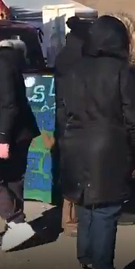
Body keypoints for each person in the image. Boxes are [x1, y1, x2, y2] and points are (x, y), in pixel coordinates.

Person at [56, 15, 135, 269]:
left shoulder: (72, 69)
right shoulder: (120, 70)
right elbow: (134, 117)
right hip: (109, 147)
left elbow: (62, 112)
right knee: (106, 213)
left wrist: (65, 143)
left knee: (86, 210)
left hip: (75, 145)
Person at [0, 36, 41, 251]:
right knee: (13, 178)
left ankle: (16, 222)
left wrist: (1, 137)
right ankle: (15, 228)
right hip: (19, 131)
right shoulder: (10, 62)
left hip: (6, 132)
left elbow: (8, 104)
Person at [55, 16, 92, 237]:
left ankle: (69, 217)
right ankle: (71, 219)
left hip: (64, 117)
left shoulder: (65, 54)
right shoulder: (80, 56)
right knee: (77, 168)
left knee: (70, 167)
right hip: (76, 118)